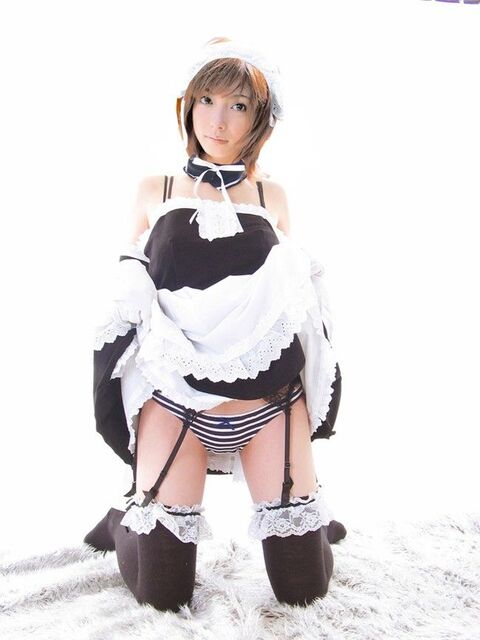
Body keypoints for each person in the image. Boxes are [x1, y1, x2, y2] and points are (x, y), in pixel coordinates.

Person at [84, 36, 345, 613]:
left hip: (269, 403)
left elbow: (293, 300)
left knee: (303, 588)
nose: (218, 120)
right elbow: (128, 293)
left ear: (260, 119)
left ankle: (314, 519)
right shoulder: (157, 189)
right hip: (176, 401)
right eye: (206, 100)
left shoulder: (271, 195)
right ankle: (123, 518)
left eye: (238, 105)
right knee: (162, 593)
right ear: (188, 105)